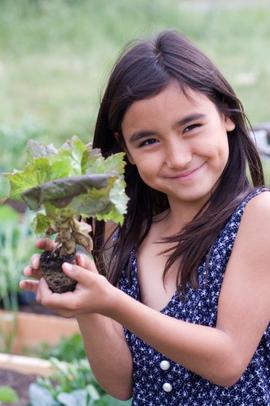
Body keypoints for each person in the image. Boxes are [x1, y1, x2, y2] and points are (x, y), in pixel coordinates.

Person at [20, 30, 270, 405]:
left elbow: (228, 360)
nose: (178, 157)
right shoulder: (130, 237)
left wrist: (113, 303)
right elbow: (120, 383)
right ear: (126, 152)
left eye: (191, 127)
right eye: (148, 141)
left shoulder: (258, 216)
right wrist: (87, 302)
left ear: (227, 116)